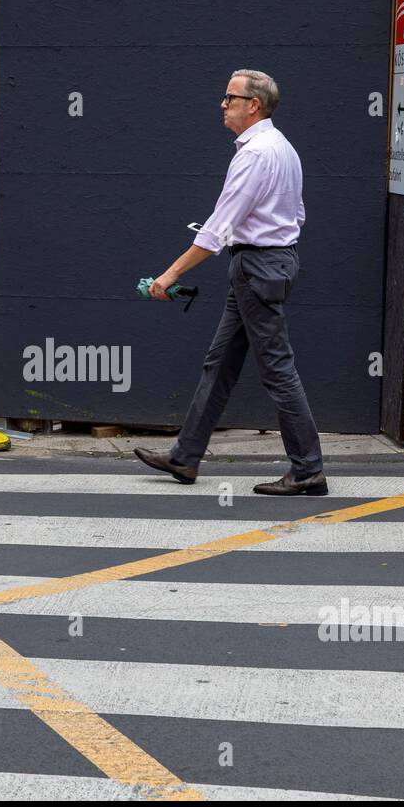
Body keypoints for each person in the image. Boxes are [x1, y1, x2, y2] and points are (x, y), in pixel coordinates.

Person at [133, 69, 326, 496]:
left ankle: (309, 469)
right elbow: (292, 217)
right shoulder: (283, 148)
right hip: (268, 264)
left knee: (278, 369)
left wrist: (169, 276)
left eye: (230, 97)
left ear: (252, 105)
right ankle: (185, 458)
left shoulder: (255, 154)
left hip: (257, 267)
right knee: (219, 365)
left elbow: (218, 230)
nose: (222, 103)